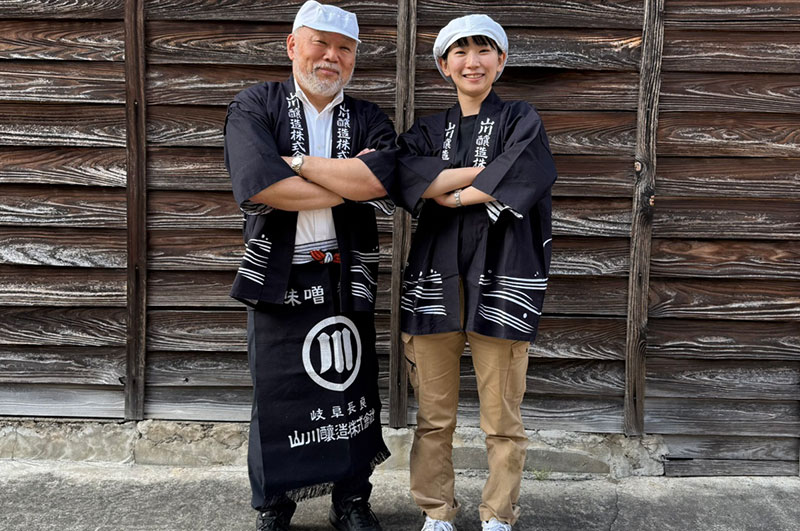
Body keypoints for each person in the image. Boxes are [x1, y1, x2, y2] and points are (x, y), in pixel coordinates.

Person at [223, 2, 396, 530]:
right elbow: (260, 185)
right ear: (293, 45)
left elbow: (378, 183)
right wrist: (345, 179)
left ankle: (352, 501)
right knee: (275, 392)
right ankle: (274, 505)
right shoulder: (257, 104)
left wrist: (295, 165)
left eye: (344, 49)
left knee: (351, 387)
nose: (331, 57)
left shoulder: (369, 118)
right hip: (280, 273)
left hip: (346, 272)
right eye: (320, 43)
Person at [394, 14, 558, 531]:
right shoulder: (425, 130)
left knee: (502, 418)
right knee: (433, 416)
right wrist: (449, 184)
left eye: (484, 49)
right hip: (433, 279)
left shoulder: (520, 116)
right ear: (444, 66)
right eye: (460, 51)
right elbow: (405, 175)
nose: (473, 61)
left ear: (501, 61)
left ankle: (498, 515)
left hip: (503, 276)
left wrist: (454, 194)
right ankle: (436, 513)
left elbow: (524, 164)